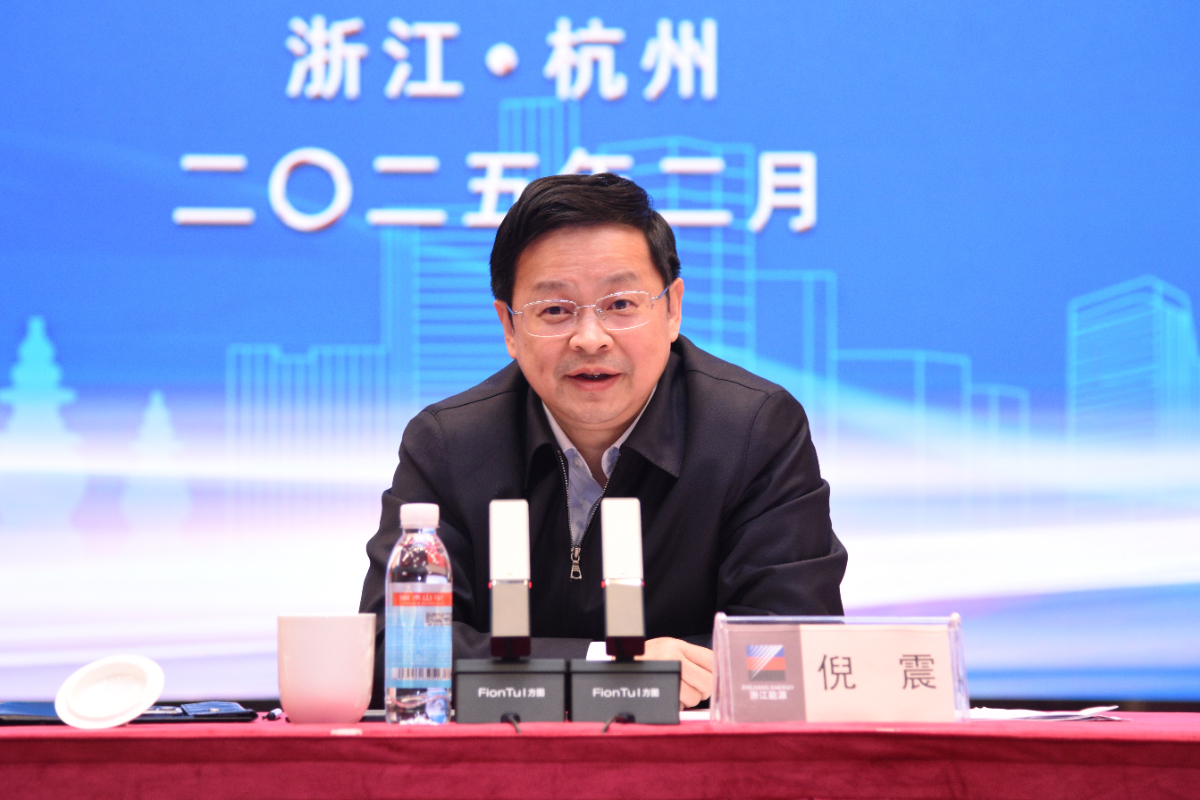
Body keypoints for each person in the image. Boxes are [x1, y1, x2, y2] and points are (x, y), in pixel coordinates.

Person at [359, 173, 847, 709]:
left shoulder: (753, 430)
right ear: (509, 327)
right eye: (555, 310)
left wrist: (665, 677)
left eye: (620, 304)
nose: (590, 339)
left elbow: (797, 645)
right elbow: (394, 650)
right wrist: (604, 667)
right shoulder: (450, 444)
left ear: (672, 309)